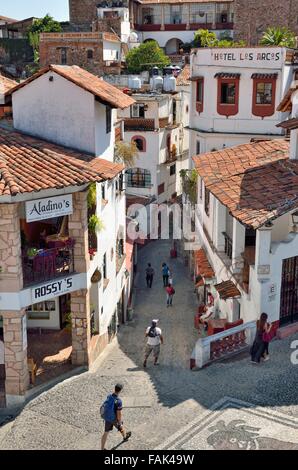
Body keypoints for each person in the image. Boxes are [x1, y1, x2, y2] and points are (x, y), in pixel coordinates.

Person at [101, 383, 132, 450]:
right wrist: (119, 422)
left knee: (106, 433)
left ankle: (102, 448)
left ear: (114, 389)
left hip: (107, 417)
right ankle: (125, 436)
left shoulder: (109, 396)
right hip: (113, 418)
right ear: (120, 391)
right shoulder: (118, 401)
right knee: (120, 426)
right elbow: (119, 414)